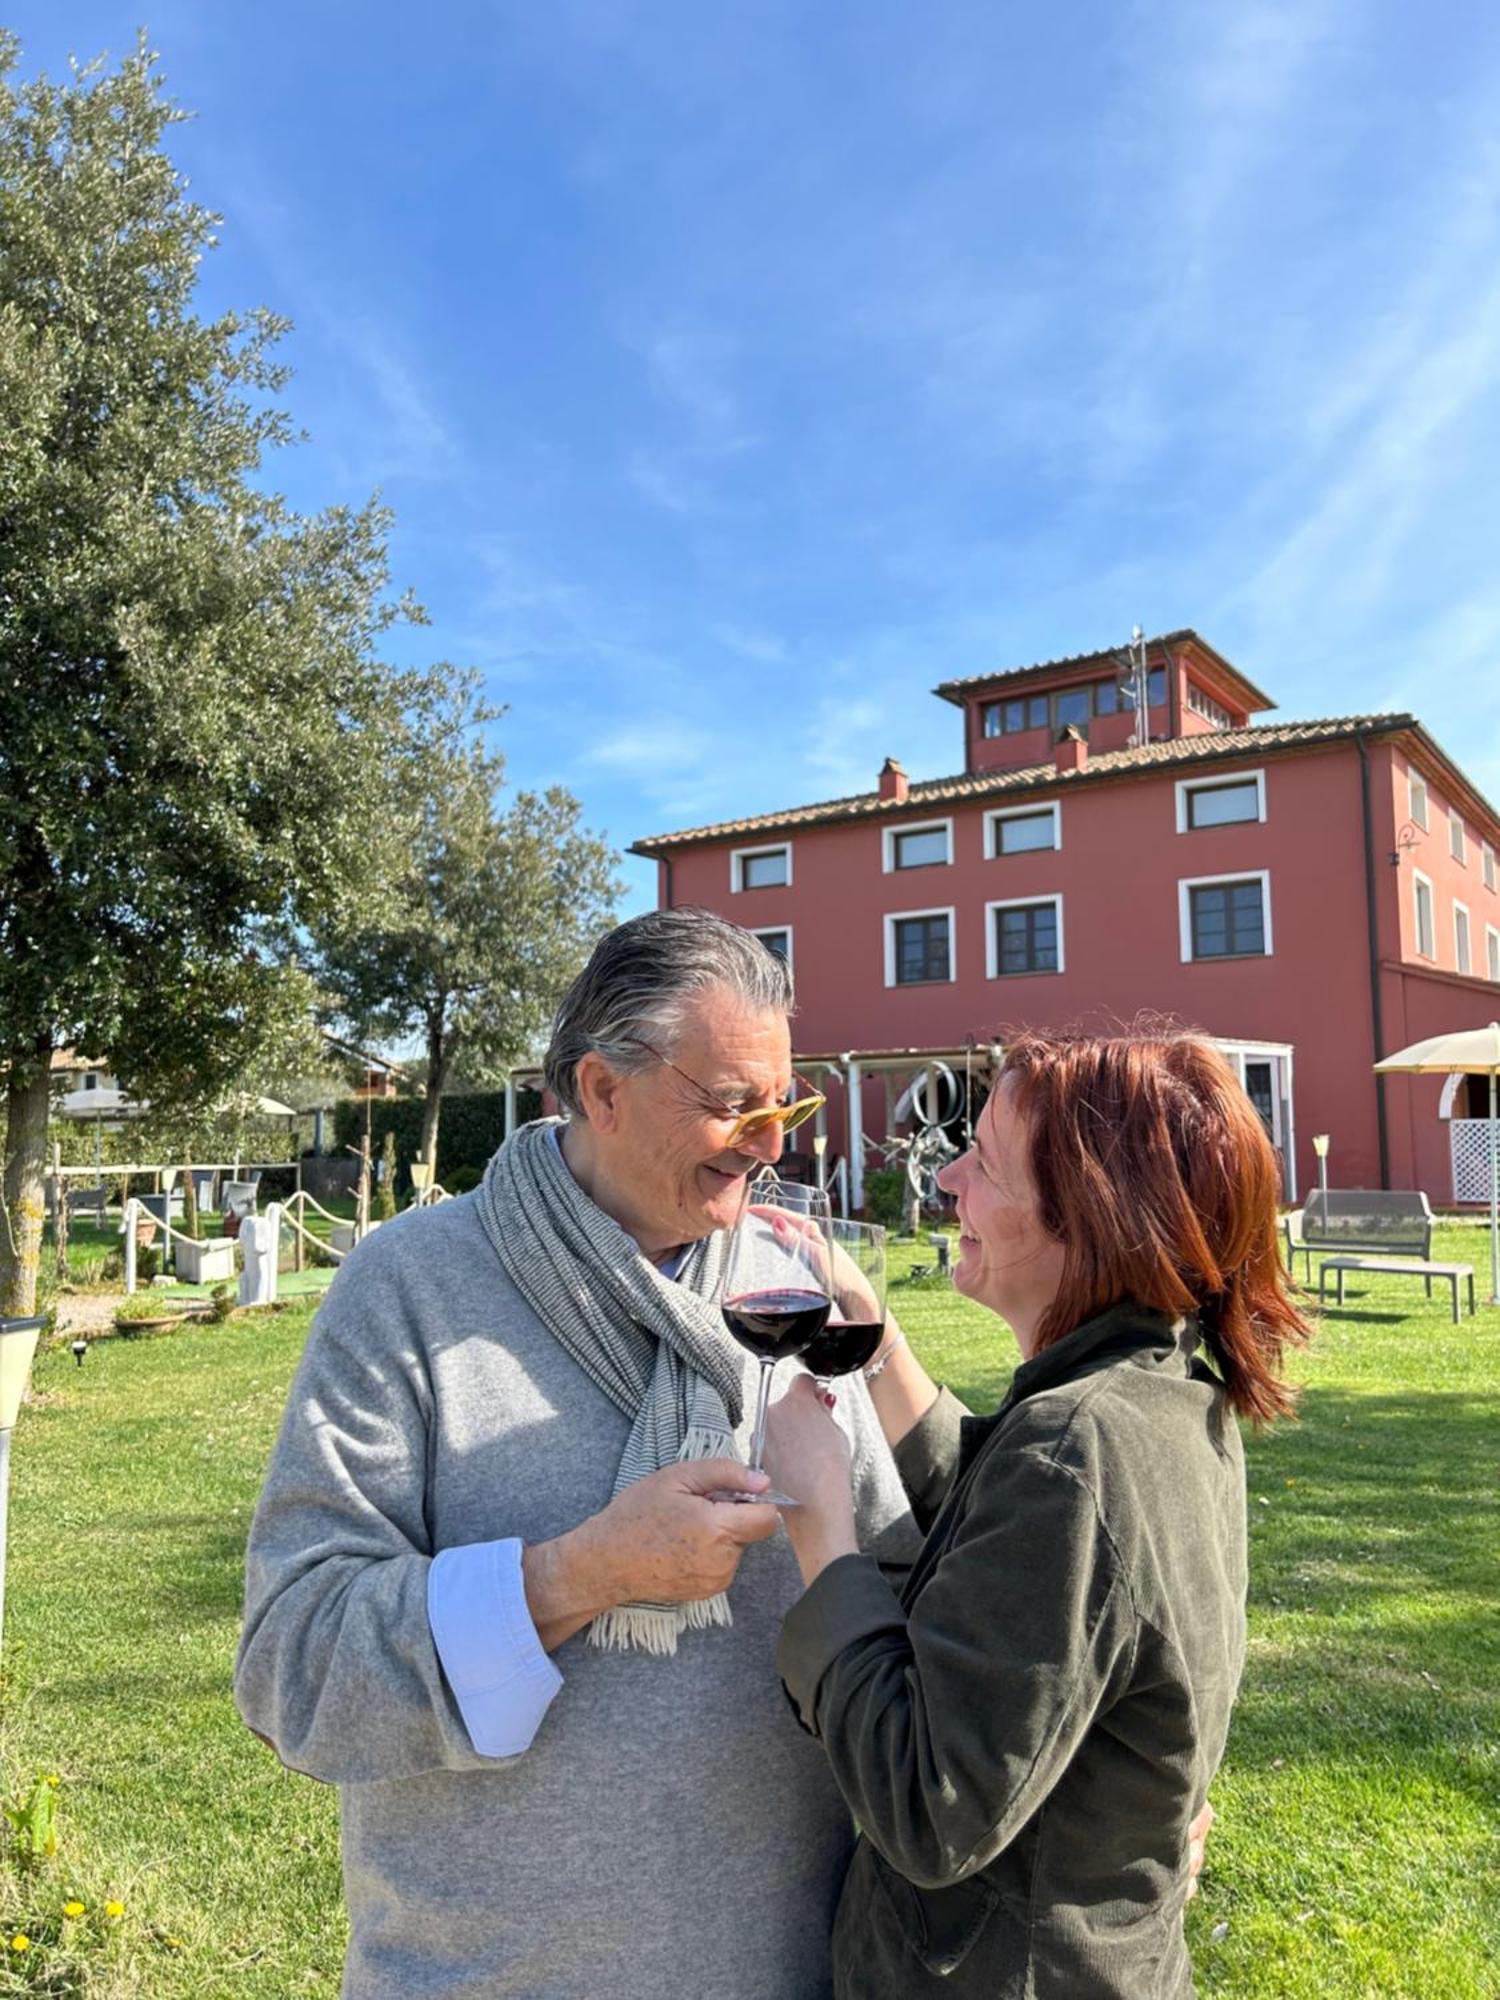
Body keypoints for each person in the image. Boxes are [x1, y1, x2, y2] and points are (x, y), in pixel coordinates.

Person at [233, 909, 920, 2000]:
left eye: (783, 1104)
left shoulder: (796, 1283)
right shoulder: (409, 1289)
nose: (772, 1143)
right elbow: (295, 1668)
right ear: (601, 1090)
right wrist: (579, 1573)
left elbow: (912, 1594)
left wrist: (1100, 1783)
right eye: (733, 1105)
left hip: (794, 1971)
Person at [765, 1025, 1310, 1998]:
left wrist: (822, 1528)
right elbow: (1011, 1550)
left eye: (984, 1162)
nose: (949, 1183)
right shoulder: (1166, 1398)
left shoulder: (1077, 1447)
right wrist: (877, 1340)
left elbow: (931, 1807)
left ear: (1086, 1218)